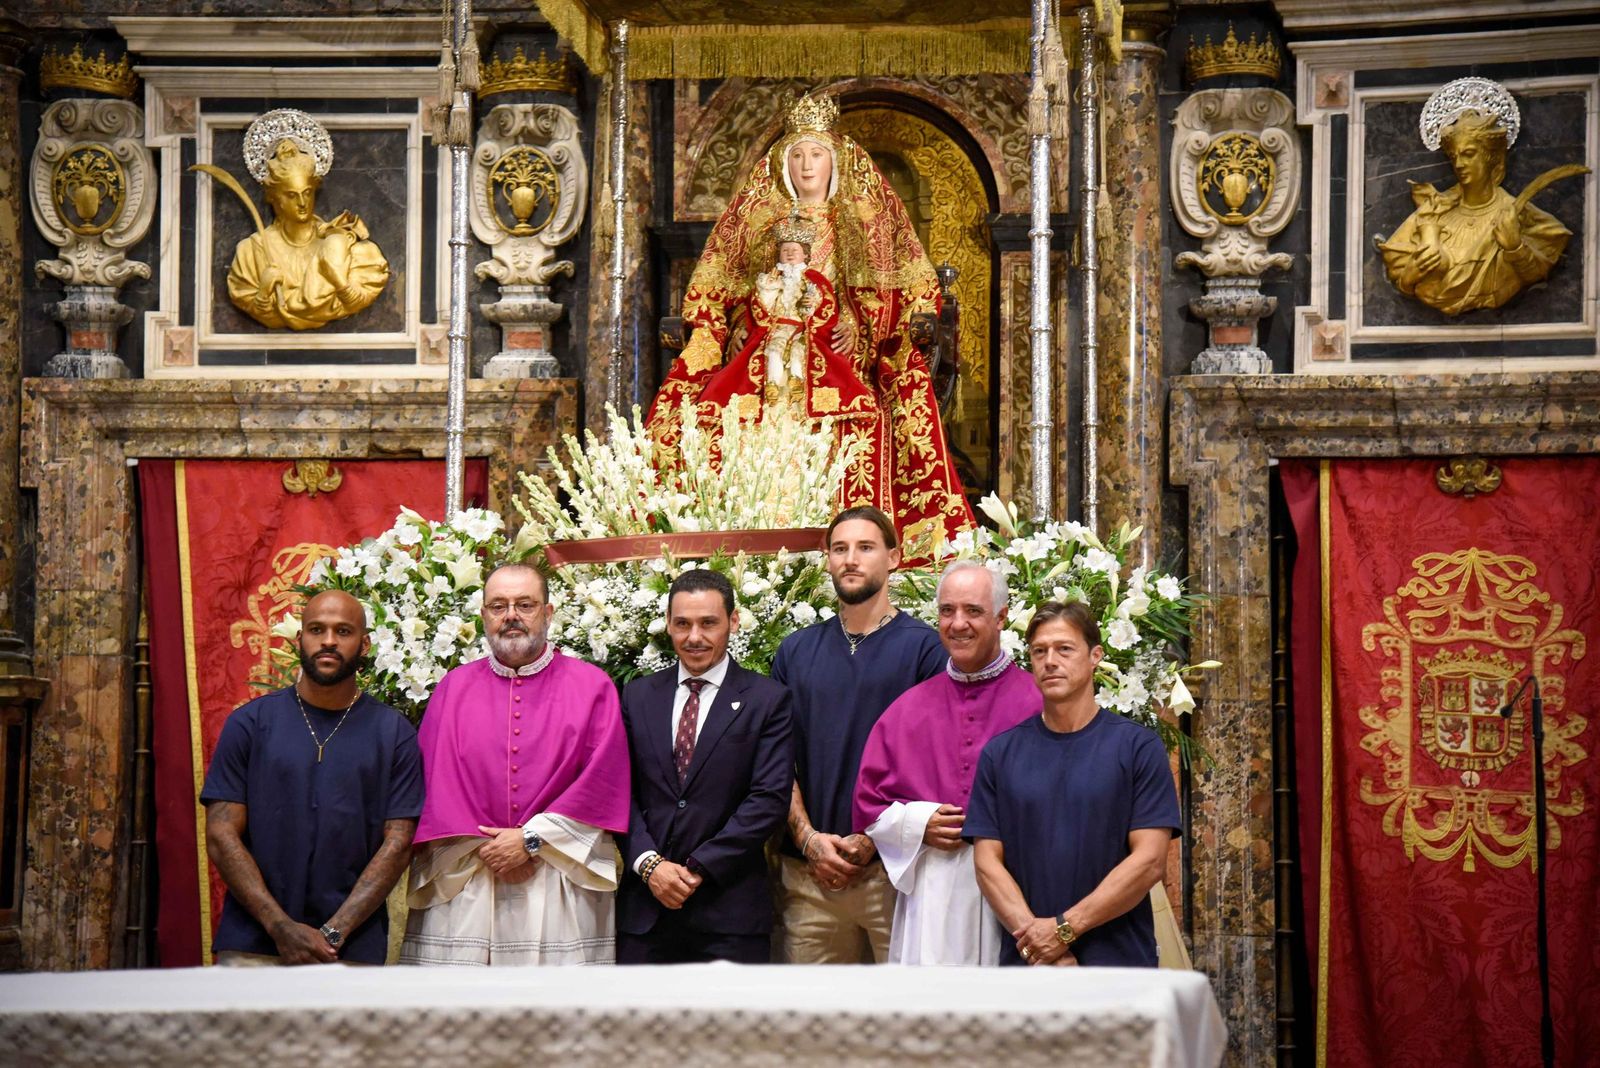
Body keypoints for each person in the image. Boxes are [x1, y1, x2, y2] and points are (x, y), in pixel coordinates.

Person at [647, 92, 972, 565]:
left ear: (834, 161)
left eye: (816, 154)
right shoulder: (759, 221)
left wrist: (860, 327)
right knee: (710, 413)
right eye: (797, 155)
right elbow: (729, 288)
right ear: (782, 163)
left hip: (838, 356)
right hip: (766, 354)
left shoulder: (860, 221)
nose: (806, 165)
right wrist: (736, 326)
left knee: (869, 415)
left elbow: (896, 291)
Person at [399, 563, 631, 966]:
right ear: (483, 615)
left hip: (560, 874)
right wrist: (489, 846)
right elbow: (434, 786)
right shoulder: (452, 688)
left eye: (525, 604)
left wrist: (530, 840)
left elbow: (602, 784)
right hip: (468, 874)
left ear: (548, 612)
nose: (511, 616)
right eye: (498, 606)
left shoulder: (593, 687)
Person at [202, 589, 421, 965]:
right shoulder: (250, 724)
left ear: (365, 644)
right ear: (298, 638)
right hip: (253, 944)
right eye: (317, 629)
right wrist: (279, 926)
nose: (330, 641)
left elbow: (399, 843)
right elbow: (221, 835)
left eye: (344, 631)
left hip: (350, 950)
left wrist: (334, 933)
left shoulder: (394, 733)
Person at [771, 506, 945, 962]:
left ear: (893, 557)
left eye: (865, 548)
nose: (851, 559)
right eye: (840, 548)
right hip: (809, 876)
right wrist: (808, 840)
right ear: (827, 559)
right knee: (812, 1024)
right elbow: (774, 759)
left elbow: (934, 763)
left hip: (897, 874)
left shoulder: (926, 649)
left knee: (904, 1021)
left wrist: (872, 840)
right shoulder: (796, 650)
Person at [967, 601, 1180, 967]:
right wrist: (1040, 946)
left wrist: (1063, 931)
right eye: (1039, 651)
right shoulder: (1000, 754)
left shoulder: (1137, 747)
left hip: (1118, 964)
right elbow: (987, 862)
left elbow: (1149, 861)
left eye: (1064, 649)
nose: (1050, 660)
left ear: (1095, 656)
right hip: (1028, 967)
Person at [853, 560, 1041, 965]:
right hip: (933, 891)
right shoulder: (909, 707)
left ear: (1002, 618)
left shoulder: (1039, 702)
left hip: (1021, 884)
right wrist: (920, 822)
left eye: (973, 611)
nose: (958, 624)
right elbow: (868, 806)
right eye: (947, 611)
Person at [616, 569, 794, 964]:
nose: (694, 637)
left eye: (708, 623)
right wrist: (650, 866)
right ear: (668, 625)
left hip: (729, 915)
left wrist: (697, 868)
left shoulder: (767, 700)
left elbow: (768, 799)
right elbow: (618, 790)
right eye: (682, 624)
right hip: (645, 914)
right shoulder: (639, 695)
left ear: (733, 621)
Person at [1378, 89, 1574, 316]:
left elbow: (1538, 270)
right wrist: (1409, 275)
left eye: (1469, 153)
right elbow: (1400, 270)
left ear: (1492, 157)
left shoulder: (1517, 216)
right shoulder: (1432, 212)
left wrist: (1515, 248)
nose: (1459, 164)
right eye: (1454, 157)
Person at [692, 218, 877, 429]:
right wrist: (768, 291)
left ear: (806, 254)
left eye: (794, 250)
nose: (789, 253)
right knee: (773, 352)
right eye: (785, 250)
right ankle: (771, 385)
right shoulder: (770, 279)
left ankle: (798, 383)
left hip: (803, 331)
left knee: (800, 353)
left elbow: (827, 305)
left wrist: (813, 305)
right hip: (777, 328)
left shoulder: (815, 280)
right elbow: (758, 306)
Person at [226, 136, 389, 330]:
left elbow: (359, 296)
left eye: (307, 192)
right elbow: (257, 308)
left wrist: (338, 279)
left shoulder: (344, 244)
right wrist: (263, 291)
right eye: (292, 195)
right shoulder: (251, 252)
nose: (302, 203)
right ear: (273, 197)